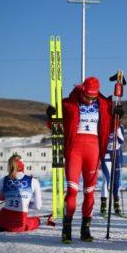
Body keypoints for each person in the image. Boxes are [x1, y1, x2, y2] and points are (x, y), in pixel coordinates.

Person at [47, 76, 122, 243]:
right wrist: (51, 117)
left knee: (89, 192)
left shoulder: (103, 104)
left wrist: (118, 115)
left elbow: (113, 126)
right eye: (87, 96)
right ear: (82, 91)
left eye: (92, 97)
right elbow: (54, 126)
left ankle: (85, 229)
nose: (89, 100)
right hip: (75, 149)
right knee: (72, 190)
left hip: (94, 150)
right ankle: (67, 228)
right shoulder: (68, 103)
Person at [100, 124, 125, 217]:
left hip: (117, 154)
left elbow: (121, 140)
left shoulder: (120, 126)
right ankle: (103, 206)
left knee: (117, 181)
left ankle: (116, 205)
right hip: (106, 153)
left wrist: (117, 129)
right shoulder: (104, 124)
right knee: (106, 180)